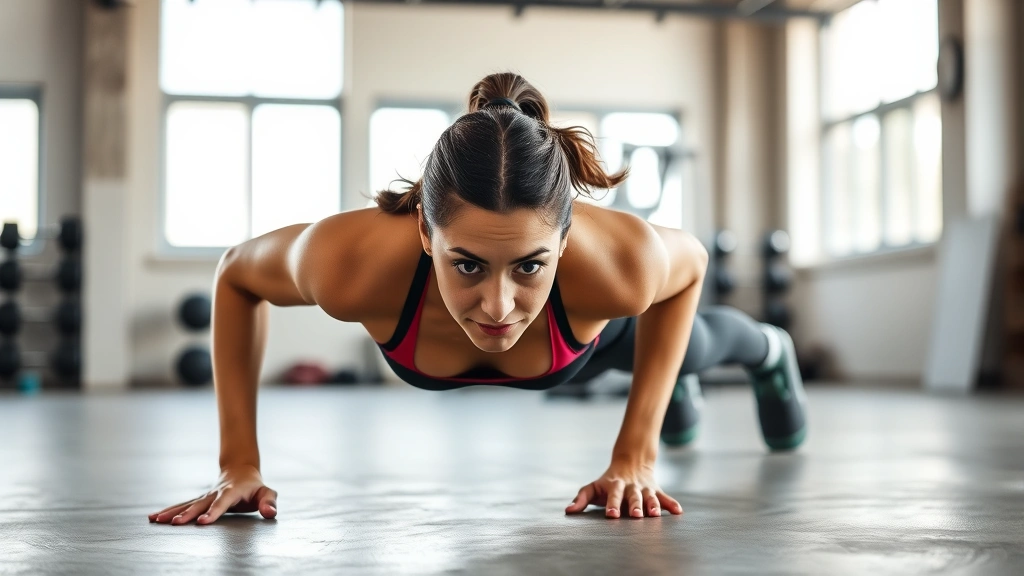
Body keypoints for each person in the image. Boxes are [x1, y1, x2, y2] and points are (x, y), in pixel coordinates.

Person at [149, 72, 806, 527]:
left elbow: (687, 271)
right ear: (426, 234)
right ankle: (669, 389)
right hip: (557, 344)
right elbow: (236, 275)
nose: (497, 305)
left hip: (592, 337)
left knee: (688, 346)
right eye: (468, 264)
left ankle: (770, 354)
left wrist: (636, 450)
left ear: (566, 240)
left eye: (529, 266)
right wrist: (239, 463)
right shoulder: (351, 264)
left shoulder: (620, 264)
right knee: (661, 359)